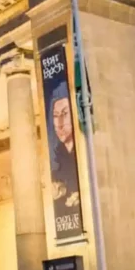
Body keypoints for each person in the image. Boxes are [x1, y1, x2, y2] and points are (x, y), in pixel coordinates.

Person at [49, 81, 81, 232]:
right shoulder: (56, 166)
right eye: (55, 116)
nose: (60, 123)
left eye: (64, 114)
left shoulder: (79, 159)